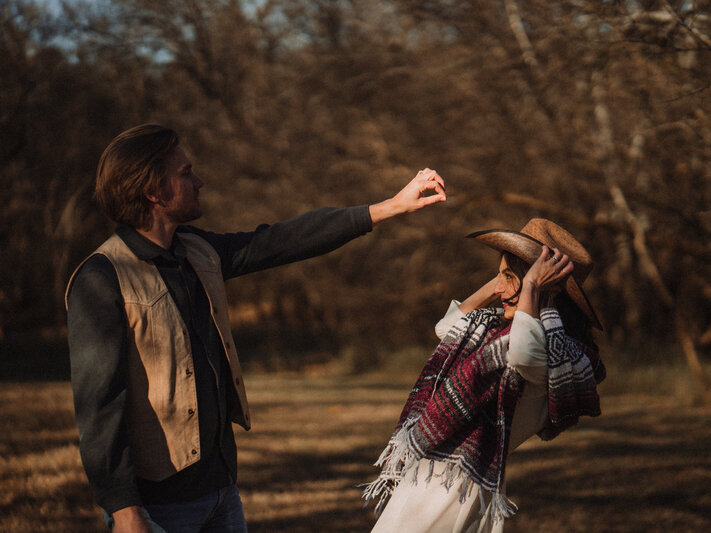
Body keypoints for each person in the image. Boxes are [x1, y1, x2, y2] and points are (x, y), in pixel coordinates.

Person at [65, 123, 447, 533]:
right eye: (186, 173)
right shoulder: (101, 278)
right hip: (157, 508)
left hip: (221, 491)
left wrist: (388, 206)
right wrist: (125, 511)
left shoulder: (197, 250)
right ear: (154, 193)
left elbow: (282, 241)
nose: (199, 181)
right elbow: (100, 407)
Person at [362, 218, 606, 532]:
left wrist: (529, 286)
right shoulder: (494, 332)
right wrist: (501, 283)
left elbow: (523, 352)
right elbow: (447, 327)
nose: (499, 287)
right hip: (431, 475)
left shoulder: (560, 355)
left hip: (456, 489)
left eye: (509, 276)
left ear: (547, 284)